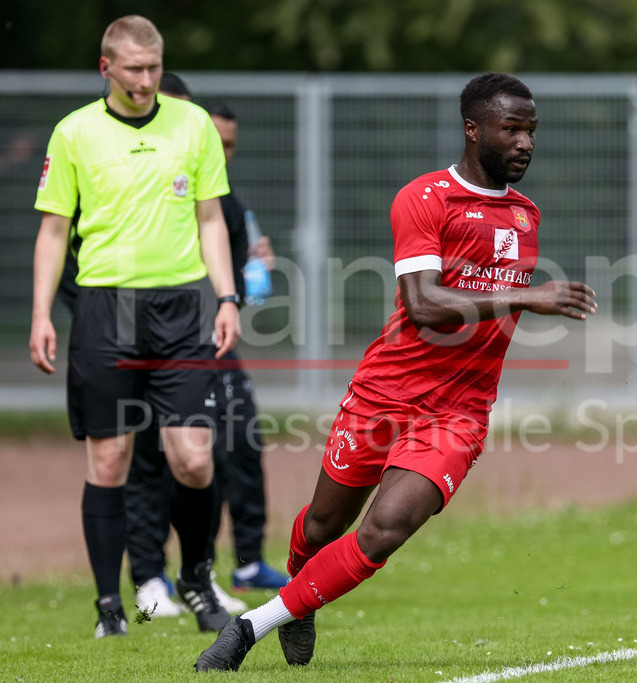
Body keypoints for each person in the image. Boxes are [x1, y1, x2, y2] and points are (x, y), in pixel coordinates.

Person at [195, 72, 598, 671]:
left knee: (386, 529)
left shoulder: (526, 216)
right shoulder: (425, 199)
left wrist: (518, 302)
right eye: (511, 128)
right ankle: (300, 599)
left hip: (458, 413)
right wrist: (524, 298)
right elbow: (423, 304)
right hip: (385, 393)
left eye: (531, 130)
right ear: (473, 128)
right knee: (324, 524)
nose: (524, 142)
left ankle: (250, 627)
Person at [29, 16, 240, 637]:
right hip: (105, 307)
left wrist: (225, 296)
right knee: (111, 457)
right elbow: (53, 231)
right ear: (106, 69)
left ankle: (197, 581)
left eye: (154, 68)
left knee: (194, 458)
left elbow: (210, 220)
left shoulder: (193, 124)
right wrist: (42, 312)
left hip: (178, 306)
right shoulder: (74, 132)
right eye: (134, 70)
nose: (146, 81)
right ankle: (108, 607)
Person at [126, 87, 288, 621]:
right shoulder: (152, 193)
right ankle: (149, 577)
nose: (222, 151)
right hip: (158, 340)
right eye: (215, 140)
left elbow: (239, 270)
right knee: (153, 456)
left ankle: (225, 566)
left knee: (233, 445)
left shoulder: (224, 201)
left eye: (229, 144)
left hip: (212, 340)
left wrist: (249, 271)